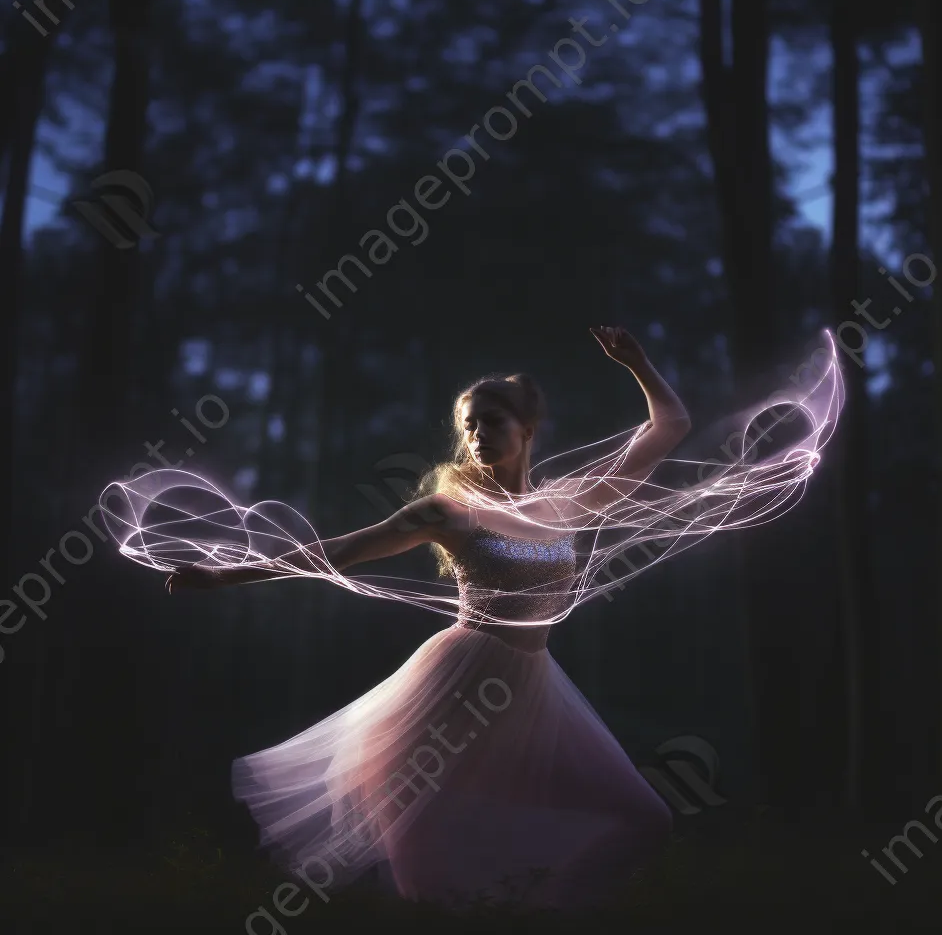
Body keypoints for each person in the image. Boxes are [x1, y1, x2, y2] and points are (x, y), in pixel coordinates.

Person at [165, 326, 690, 910]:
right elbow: (336, 551)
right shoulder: (449, 513)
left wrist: (638, 362)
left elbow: (671, 427)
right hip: (461, 681)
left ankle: (540, 910)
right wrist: (226, 575)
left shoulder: (567, 504)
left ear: (526, 428)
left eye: (492, 420)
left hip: (534, 685)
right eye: (469, 424)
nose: (477, 433)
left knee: (645, 817)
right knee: (431, 871)